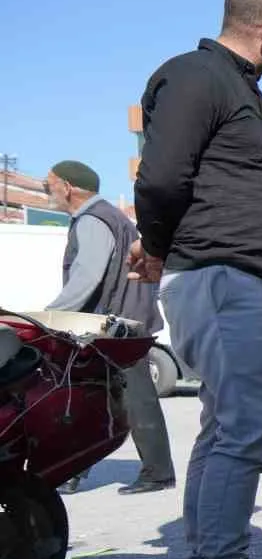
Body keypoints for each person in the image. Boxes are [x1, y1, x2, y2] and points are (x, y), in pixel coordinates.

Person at [131, 0, 262, 559]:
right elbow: (161, 177)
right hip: (223, 277)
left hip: (235, 278)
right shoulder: (199, 76)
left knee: (223, 428)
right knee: (243, 430)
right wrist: (154, 244)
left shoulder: (231, 85)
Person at [44, 160, 176, 497]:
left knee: (128, 398)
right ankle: (73, 471)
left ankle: (157, 473)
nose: (48, 192)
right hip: (124, 322)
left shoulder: (92, 220)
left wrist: (50, 315)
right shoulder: (111, 217)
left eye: (49, 185)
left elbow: (87, 276)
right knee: (93, 398)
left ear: (67, 186)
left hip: (113, 327)